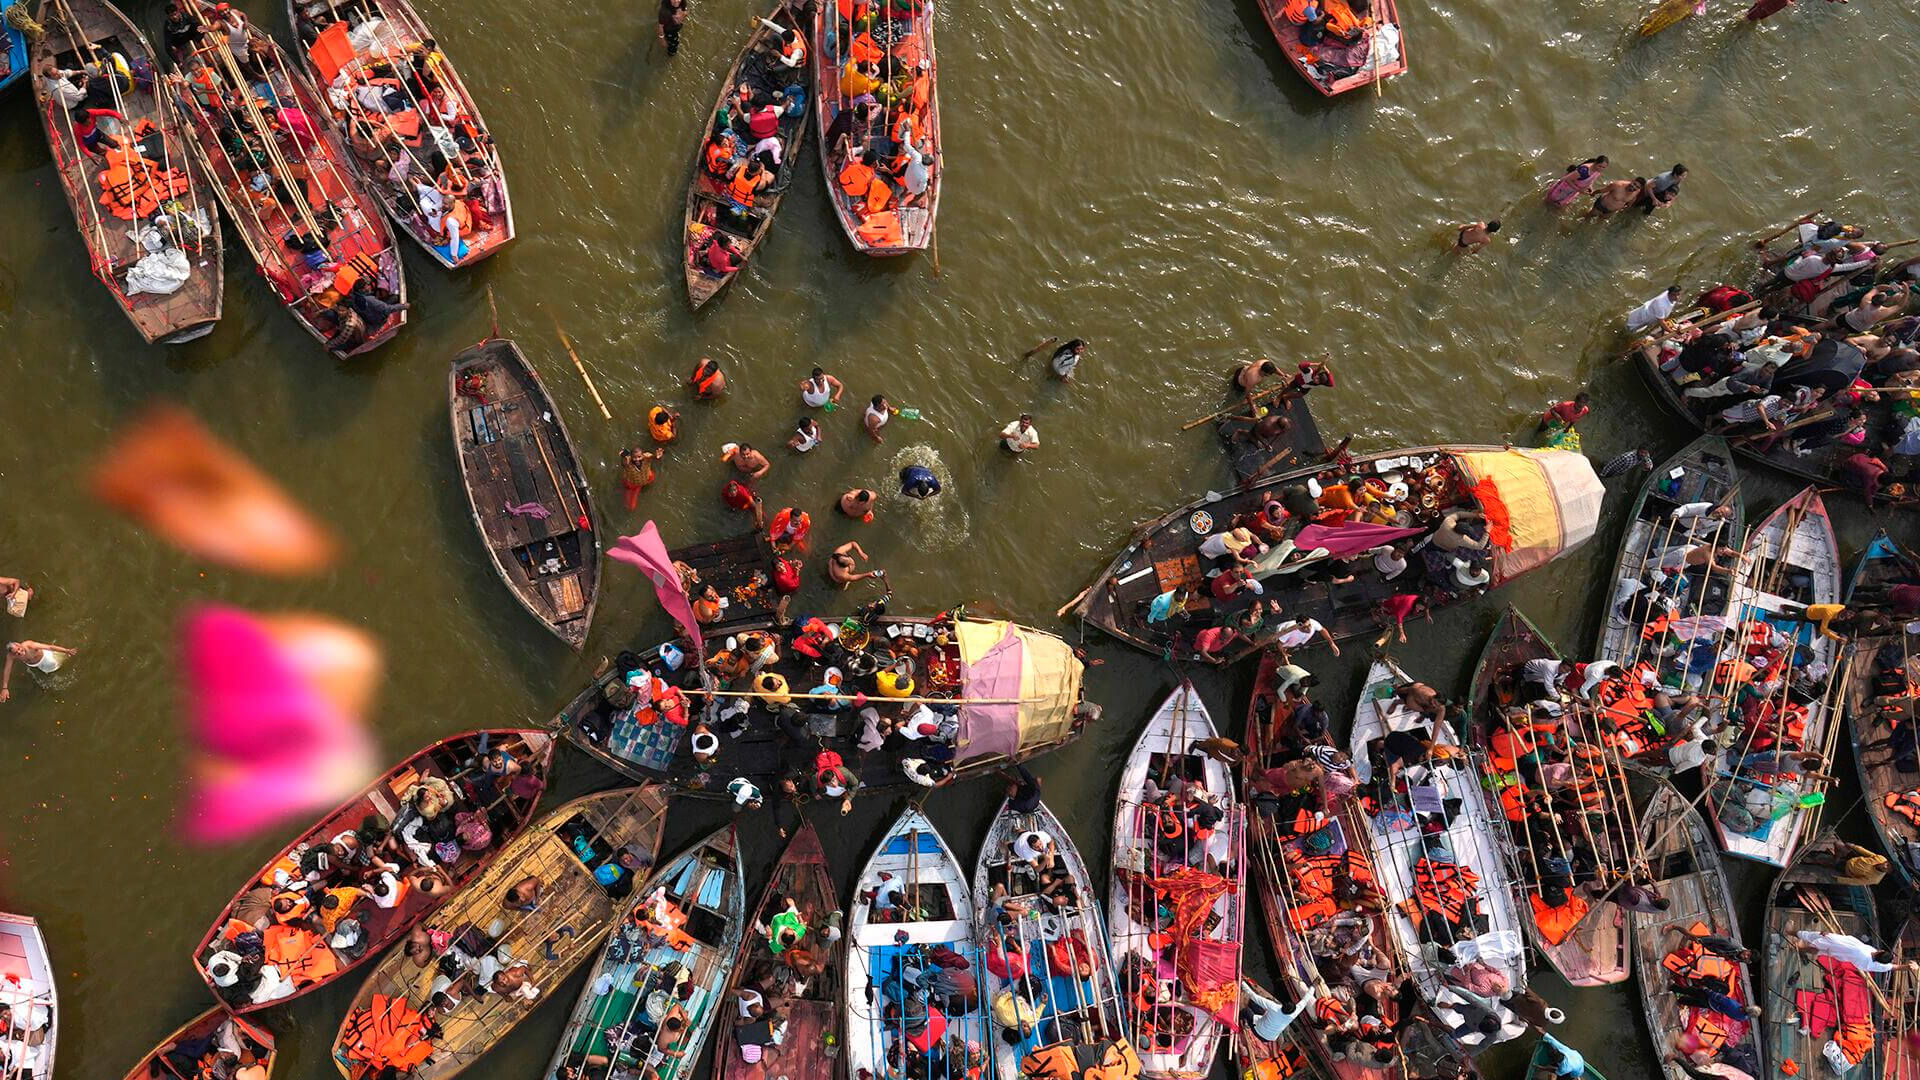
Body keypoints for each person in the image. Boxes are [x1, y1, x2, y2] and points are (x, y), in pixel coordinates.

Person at [1, 641, 76, 702]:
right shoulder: (10, 656)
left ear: (20, 645)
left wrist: (67, 651)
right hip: (34, 664)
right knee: (46, 672)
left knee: (56, 665)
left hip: (46, 659)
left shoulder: (30, 645)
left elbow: (49, 647)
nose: (20, 652)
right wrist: (5, 688)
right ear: (12, 654)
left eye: (19, 649)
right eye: (16, 653)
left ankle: (63, 656)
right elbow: (7, 670)